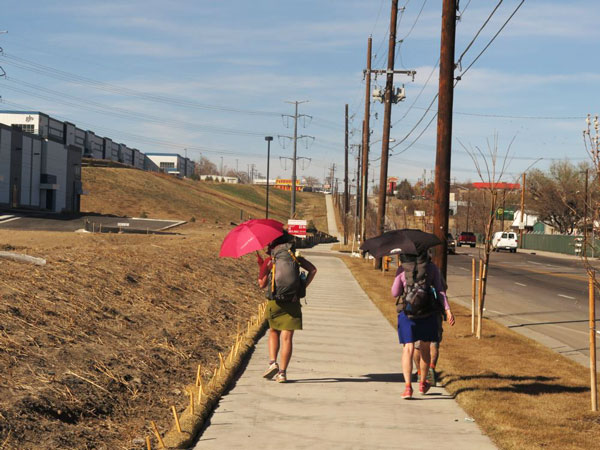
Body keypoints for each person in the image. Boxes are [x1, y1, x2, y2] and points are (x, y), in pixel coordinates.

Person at [392, 252, 455, 399]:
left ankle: (408, 388)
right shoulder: (431, 268)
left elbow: (395, 293)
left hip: (407, 314)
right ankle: (422, 383)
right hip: (428, 314)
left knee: (408, 348)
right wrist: (447, 310)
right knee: (425, 348)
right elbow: (440, 290)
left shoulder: (402, 269)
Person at [257, 232, 317, 383]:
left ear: (272, 244)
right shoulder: (294, 256)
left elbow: (262, 284)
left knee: (273, 332)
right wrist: (302, 287)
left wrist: (262, 267)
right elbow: (313, 270)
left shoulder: (270, 260)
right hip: (293, 301)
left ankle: (272, 363)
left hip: (275, 302)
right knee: (287, 338)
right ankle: (282, 373)